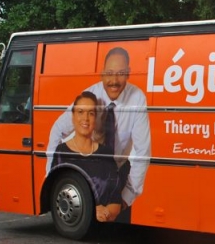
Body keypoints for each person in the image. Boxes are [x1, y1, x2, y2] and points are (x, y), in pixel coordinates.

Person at [46, 47, 151, 222]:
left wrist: (125, 198)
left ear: (129, 74)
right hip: (90, 173)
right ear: (102, 73)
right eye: (109, 73)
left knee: (118, 233)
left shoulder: (137, 98)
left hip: (119, 171)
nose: (114, 80)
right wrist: (51, 176)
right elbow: (58, 129)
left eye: (121, 73)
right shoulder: (91, 96)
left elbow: (142, 152)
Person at [50, 91, 122, 222]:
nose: (86, 119)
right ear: (73, 116)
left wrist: (105, 213)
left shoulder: (105, 153)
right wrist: (93, 210)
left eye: (91, 113)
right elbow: (56, 191)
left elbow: (116, 199)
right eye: (80, 112)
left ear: (96, 119)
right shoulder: (61, 152)